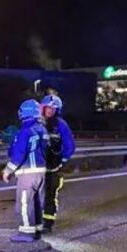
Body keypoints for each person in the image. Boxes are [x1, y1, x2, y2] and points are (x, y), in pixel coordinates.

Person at [2, 99, 49, 243]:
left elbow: (19, 154)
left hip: (27, 173)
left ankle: (26, 233)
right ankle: (38, 228)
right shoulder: (42, 129)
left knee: (25, 203)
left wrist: (8, 170)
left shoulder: (25, 131)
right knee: (38, 202)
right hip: (41, 172)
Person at [40, 94, 76, 232]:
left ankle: (47, 222)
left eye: (53, 109)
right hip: (37, 166)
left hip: (53, 167)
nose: (50, 111)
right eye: (48, 108)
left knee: (50, 194)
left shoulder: (61, 125)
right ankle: (33, 220)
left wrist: (62, 160)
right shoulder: (36, 122)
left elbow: (70, 145)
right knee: (34, 194)